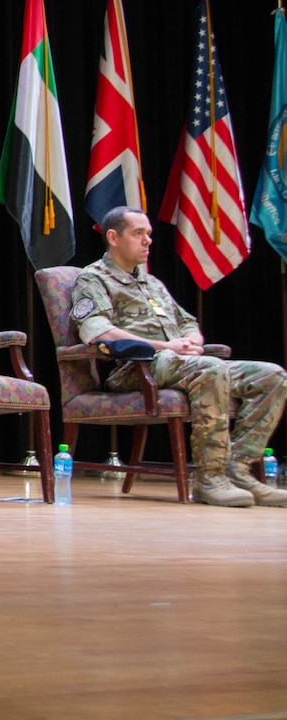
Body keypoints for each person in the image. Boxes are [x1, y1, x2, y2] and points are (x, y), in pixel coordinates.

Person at [71, 206, 287, 508]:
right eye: (138, 233)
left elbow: (187, 322)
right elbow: (100, 332)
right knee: (210, 369)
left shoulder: (151, 283)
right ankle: (209, 479)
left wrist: (192, 341)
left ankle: (236, 469)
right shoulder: (93, 278)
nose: (148, 240)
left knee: (272, 376)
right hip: (137, 368)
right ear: (113, 237)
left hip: (181, 363)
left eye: (149, 234)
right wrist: (166, 347)